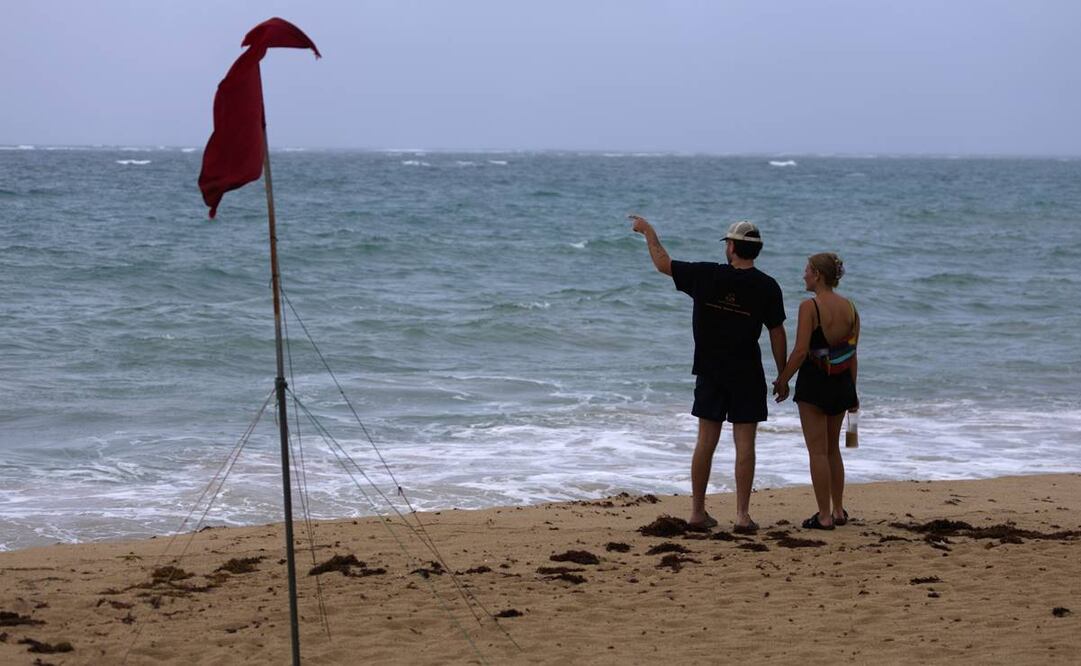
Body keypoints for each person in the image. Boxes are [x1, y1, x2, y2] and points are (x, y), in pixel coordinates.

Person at [630, 215, 788, 532]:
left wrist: (649, 231)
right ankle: (742, 516)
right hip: (747, 372)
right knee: (746, 445)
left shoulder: (706, 275)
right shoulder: (767, 286)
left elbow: (663, 264)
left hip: (710, 370)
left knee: (706, 442)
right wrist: (783, 374)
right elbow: (777, 332)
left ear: (731, 247)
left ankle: (698, 512)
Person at [773, 253, 859, 530]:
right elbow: (852, 354)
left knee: (818, 452)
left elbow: (800, 352)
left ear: (818, 275)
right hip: (842, 381)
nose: (804, 275)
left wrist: (782, 380)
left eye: (807, 270)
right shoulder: (851, 308)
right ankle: (838, 511)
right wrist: (853, 394)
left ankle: (823, 515)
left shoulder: (810, 307)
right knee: (833, 449)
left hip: (815, 383)